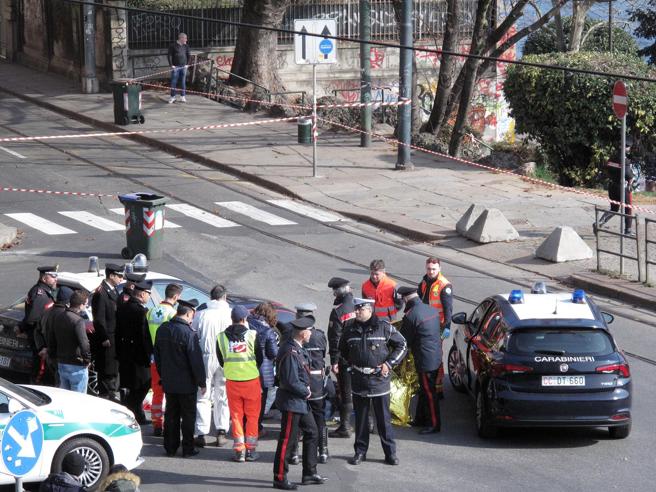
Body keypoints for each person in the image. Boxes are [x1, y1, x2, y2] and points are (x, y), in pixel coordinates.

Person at [339, 298, 407, 466]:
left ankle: (390, 453)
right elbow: (342, 351)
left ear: (369, 310)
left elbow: (402, 345)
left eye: (360, 309)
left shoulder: (383, 327)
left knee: (383, 420)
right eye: (356, 309)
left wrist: (389, 364)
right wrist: (351, 366)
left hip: (379, 381)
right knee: (361, 420)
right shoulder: (350, 330)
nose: (356, 312)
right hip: (359, 380)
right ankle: (360, 452)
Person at [272, 316, 327, 490]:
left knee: (312, 432)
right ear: (303, 334)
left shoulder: (297, 348)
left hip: (300, 402)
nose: (311, 333)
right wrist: (306, 391)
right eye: (309, 330)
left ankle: (309, 473)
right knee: (287, 440)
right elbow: (290, 380)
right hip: (292, 402)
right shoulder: (290, 351)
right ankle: (280, 477)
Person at [154, 298, 206, 458]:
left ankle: (170, 447)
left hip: (169, 381)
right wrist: (201, 382)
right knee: (188, 416)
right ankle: (188, 448)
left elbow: (158, 356)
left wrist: (163, 375)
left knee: (171, 415)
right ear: (189, 314)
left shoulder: (163, 329)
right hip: (186, 383)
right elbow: (196, 361)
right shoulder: (189, 334)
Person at [216, 305, 262, 462]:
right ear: (244, 319)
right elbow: (260, 358)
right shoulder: (253, 335)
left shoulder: (221, 337)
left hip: (232, 382)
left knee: (236, 417)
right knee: (252, 417)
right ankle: (251, 451)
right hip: (251, 382)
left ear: (232, 319)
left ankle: (239, 451)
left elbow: (221, 360)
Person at [287, 303, 328, 465]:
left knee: (297, 418)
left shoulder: (290, 335)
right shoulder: (319, 335)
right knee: (319, 417)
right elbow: (323, 354)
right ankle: (323, 450)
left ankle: (294, 453)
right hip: (316, 382)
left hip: (299, 382)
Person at [398, 286, 442, 434]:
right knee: (424, 390)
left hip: (424, 359)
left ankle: (434, 424)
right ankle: (421, 418)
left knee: (429, 393)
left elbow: (404, 341)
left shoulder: (411, 316)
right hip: (435, 355)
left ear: (405, 299)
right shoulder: (431, 310)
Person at [193, 284, 232, 448]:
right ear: (224, 297)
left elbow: (194, 335)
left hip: (205, 357)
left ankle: (201, 433)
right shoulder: (230, 314)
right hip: (226, 357)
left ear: (210, 297)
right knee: (222, 396)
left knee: (203, 394)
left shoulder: (201, 314)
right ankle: (221, 431)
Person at [146, 283, 182, 437]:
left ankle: (156, 423)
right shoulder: (172, 313)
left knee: (156, 392)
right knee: (171, 393)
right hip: (168, 358)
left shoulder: (151, 311)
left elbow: (146, 334)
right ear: (176, 297)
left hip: (154, 357)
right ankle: (169, 423)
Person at [116, 280, 153, 424]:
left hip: (125, 353)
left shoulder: (123, 307)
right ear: (143, 294)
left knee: (132, 386)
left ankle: (138, 415)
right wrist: (148, 354)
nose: (149, 298)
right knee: (142, 385)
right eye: (149, 294)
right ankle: (129, 411)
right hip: (139, 356)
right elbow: (144, 336)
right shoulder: (141, 311)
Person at [417, 257, 453, 398]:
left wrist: (447, 327)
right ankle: (426, 384)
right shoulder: (424, 282)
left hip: (438, 326)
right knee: (424, 354)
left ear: (439, 269)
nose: (431, 271)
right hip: (425, 324)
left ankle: (438, 388)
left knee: (436, 356)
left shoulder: (444, 285)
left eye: (434, 269)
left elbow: (448, 309)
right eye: (429, 268)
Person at [326, 277, 355, 438]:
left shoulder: (339, 311)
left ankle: (344, 426)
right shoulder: (358, 305)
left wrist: (334, 361)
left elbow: (334, 338)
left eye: (334, 291)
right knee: (361, 390)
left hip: (345, 358)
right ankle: (368, 422)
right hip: (361, 356)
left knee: (346, 392)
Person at [91, 263, 124, 402]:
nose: (121, 278)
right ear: (111, 276)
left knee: (113, 368)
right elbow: (99, 319)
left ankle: (111, 393)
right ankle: (107, 396)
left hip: (114, 336)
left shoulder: (113, 290)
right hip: (107, 338)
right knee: (107, 370)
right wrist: (104, 337)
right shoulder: (101, 293)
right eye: (119, 276)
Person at [48, 290, 92, 393]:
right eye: (86, 304)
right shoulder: (78, 320)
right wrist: (87, 360)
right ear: (81, 305)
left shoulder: (59, 317)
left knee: (65, 397)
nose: (86, 306)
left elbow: (51, 338)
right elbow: (84, 344)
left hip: (62, 363)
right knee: (78, 400)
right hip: (76, 365)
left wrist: (53, 356)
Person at [247, 302, 279, 437]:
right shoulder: (268, 331)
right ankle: (257, 428)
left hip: (246, 368)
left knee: (247, 401)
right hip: (263, 372)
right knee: (260, 402)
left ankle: (246, 425)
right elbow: (273, 353)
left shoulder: (247, 323)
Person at [22, 265, 58, 380]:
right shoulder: (40, 294)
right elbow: (33, 318)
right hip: (40, 339)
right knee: (40, 369)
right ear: (44, 279)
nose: (56, 279)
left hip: (40, 337)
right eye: (53, 276)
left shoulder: (44, 291)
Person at [35, 286, 74, 386]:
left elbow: (37, 331)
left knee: (56, 380)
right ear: (67, 301)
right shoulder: (66, 315)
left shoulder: (47, 312)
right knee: (61, 384)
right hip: (61, 355)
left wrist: (42, 347)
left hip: (50, 355)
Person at [595, 143, 636, 235]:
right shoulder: (625, 161)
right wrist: (632, 178)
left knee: (614, 208)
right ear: (626, 148)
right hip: (623, 187)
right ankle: (628, 230)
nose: (629, 148)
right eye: (628, 147)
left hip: (612, 186)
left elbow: (606, 169)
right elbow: (627, 175)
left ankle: (600, 222)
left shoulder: (612, 158)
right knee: (628, 208)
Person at [167, 32, 190, 104]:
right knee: (174, 82)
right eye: (185, 38)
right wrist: (171, 65)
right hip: (175, 67)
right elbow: (169, 56)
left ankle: (183, 96)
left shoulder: (186, 46)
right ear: (181, 38)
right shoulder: (173, 46)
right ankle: (172, 97)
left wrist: (187, 64)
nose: (186, 40)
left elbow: (188, 55)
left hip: (184, 67)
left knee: (183, 81)